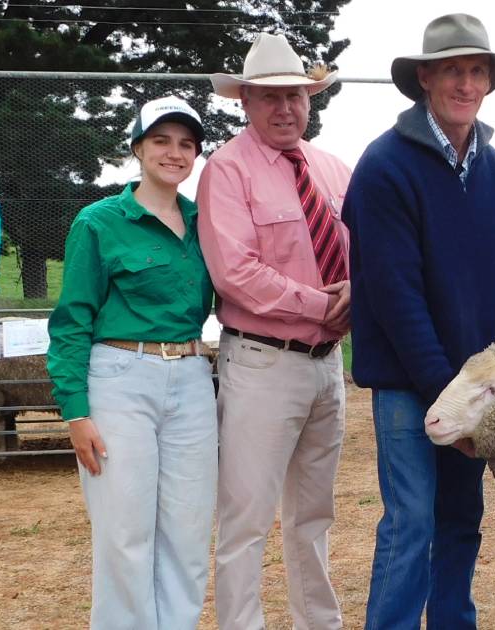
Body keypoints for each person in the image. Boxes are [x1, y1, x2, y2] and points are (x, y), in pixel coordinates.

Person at [342, 13, 495, 630]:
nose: (467, 83)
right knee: (411, 519)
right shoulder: (385, 167)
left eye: (478, 71)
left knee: (460, 518)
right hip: (408, 383)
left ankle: (454, 621)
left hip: (476, 388)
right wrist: (449, 394)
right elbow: (395, 296)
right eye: (453, 70)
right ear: (426, 77)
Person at [197, 32, 352, 630]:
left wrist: (357, 293)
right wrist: (323, 305)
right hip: (262, 364)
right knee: (247, 517)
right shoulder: (227, 171)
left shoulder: (336, 169)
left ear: (310, 100)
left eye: (296, 96)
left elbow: (372, 248)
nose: (286, 108)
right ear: (245, 103)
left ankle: (319, 623)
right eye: (270, 98)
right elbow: (236, 274)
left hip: (325, 365)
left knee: (314, 514)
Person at [46, 96, 215, 629]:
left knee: (188, 532)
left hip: (191, 377)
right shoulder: (99, 222)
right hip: (120, 377)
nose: (174, 153)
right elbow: (71, 320)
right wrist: (76, 411)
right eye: (161, 140)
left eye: (186, 144)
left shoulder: (208, 222)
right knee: (125, 533)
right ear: (137, 147)